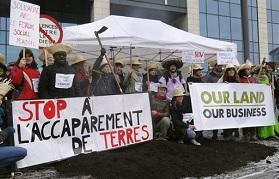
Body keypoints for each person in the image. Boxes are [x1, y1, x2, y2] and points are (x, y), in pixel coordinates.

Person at [218, 64, 240, 141]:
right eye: (230, 70)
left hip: (235, 103)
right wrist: (223, 86)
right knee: (226, 119)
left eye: (233, 69)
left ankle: (233, 133)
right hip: (225, 103)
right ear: (227, 71)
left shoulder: (237, 80)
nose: (231, 71)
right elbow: (216, 88)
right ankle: (227, 134)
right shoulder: (222, 79)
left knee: (234, 118)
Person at [202, 60, 224, 140]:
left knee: (224, 115)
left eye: (220, 65)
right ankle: (215, 133)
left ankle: (225, 131)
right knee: (216, 116)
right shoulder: (210, 75)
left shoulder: (224, 74)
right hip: (214, 98)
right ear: (215, 66)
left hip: (223, 98)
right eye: (218, 65)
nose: (219, 67)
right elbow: (203, 82)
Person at [237, 61, 258, 141]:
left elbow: (258, 88)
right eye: (247, 69)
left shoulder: (253, 79)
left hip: (252, 102)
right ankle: (246, 134)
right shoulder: (240, 79)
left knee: (253, 118)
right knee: (245, 118)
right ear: (243, 71)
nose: (249, 70)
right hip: (244, 102)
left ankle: (253, 134)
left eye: (250, 69)